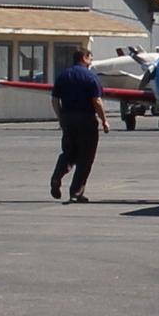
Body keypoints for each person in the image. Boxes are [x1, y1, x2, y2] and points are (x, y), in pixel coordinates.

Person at [49, 46, 109, 202]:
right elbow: (96, 101)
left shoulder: (63, 76)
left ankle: (57, 177)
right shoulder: (90, 77)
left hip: (68, 118)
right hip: (86, 119)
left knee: (68, 152)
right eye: (90, 57)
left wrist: (61, 117)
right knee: (86, 156)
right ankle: (76, 192)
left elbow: (55, 100)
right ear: (84, 58)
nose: (91, 61)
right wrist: (104, 120)